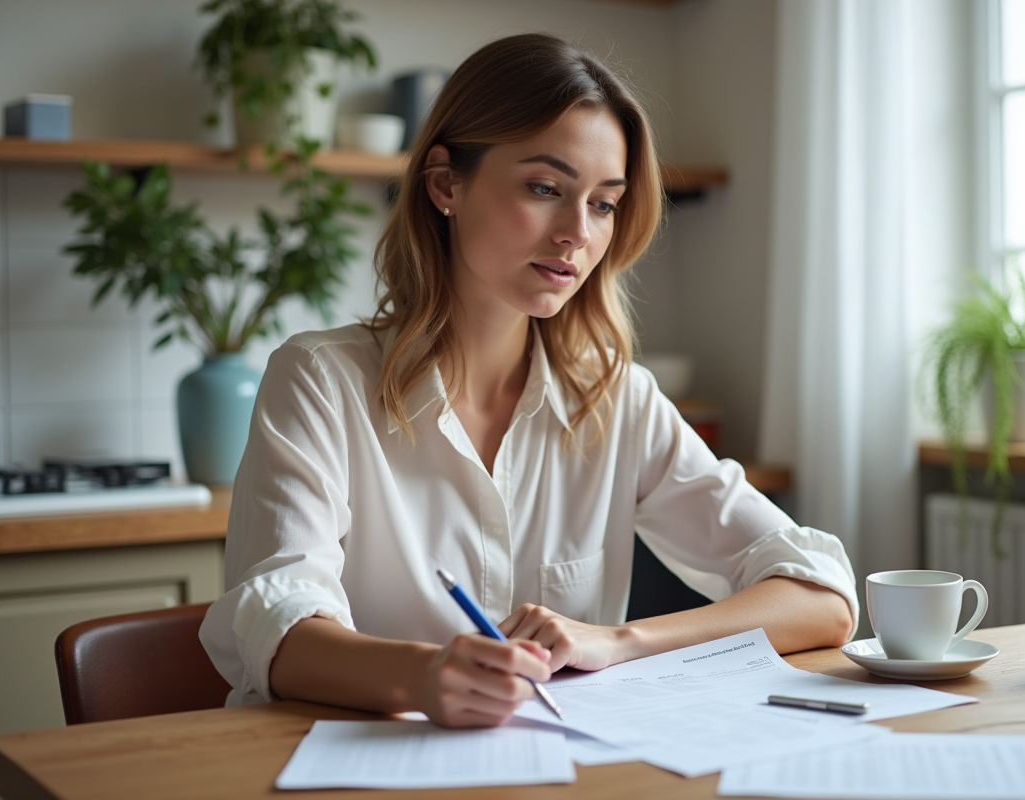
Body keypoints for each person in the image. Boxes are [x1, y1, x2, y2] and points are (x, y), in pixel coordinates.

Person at [199, 32, 857, 729]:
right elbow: (274, 627)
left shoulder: (616, 398)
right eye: (545, 188)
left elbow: (820, 595)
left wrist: (618, 641)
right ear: (445, 183)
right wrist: (424, 676)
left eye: (604, 203)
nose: (577, 232)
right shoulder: (319, 381)